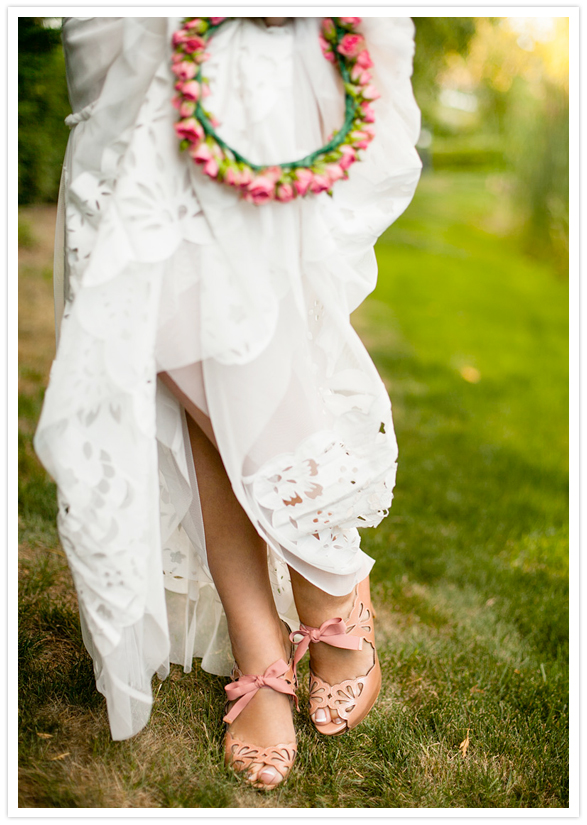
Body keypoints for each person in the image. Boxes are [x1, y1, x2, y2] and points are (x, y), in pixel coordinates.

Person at [34, 16, 422, 791]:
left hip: (255, 58)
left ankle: (277, 632)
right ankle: (319, 600)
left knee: (237, 332)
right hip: (134, 42)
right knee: (164, 330)